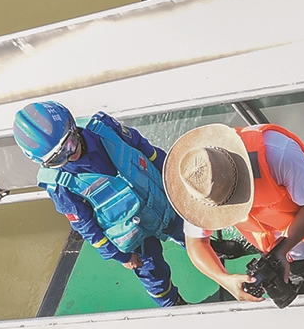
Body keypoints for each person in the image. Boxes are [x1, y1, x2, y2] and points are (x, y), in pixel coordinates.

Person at [164, 121, 304, 301]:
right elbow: (196, 243)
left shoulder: (279, 153)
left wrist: (281, 249)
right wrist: (224, 279)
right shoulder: (196, 186)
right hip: (279, 256)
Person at [14, 100, 186, 309]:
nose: (70, 155)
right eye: (58, 159)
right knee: (153, 273)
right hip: (133, 233)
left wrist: (172, 174)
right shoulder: (60, 186)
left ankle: (211, 248)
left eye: (68, 145)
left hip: (158, 199)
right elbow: (86, 228)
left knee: (187, 230)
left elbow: (143, 147)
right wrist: (121, 256)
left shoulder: (103, 127)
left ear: (73, 127)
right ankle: (172, 303)